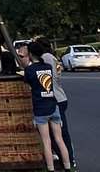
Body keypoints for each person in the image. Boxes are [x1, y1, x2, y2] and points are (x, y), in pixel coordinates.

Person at [23, 43, 71, 172]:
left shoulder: (29, 70)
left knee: (46, 141)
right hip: (53, 105)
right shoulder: (48, 67)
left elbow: (27, 81)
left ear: (30, 54)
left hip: (40, 108)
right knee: (59, 139)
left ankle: (50, 168)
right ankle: (68, 166)